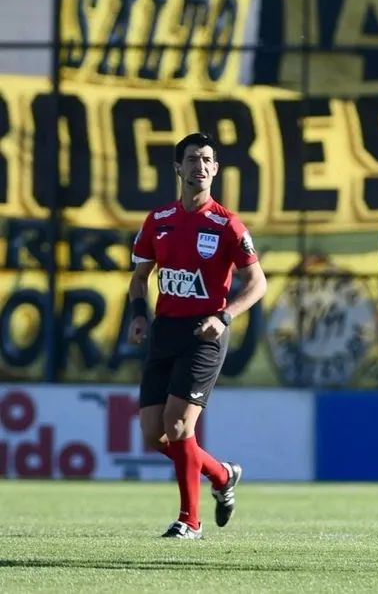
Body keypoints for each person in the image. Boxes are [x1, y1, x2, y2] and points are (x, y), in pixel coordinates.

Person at [128, 132, 268, 539]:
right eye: (192, 159)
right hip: (164, 331)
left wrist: (224, 317)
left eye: (207, 159)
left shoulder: (227, 225)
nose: (200, 166)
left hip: (204, 334)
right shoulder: (158, 221)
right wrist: (138, 316)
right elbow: (139, 279)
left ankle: (190, 521)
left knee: (178, 426)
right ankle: (222, 474)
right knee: (154, 434)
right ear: (178, 168)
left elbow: (257, 283)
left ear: (216, 169)